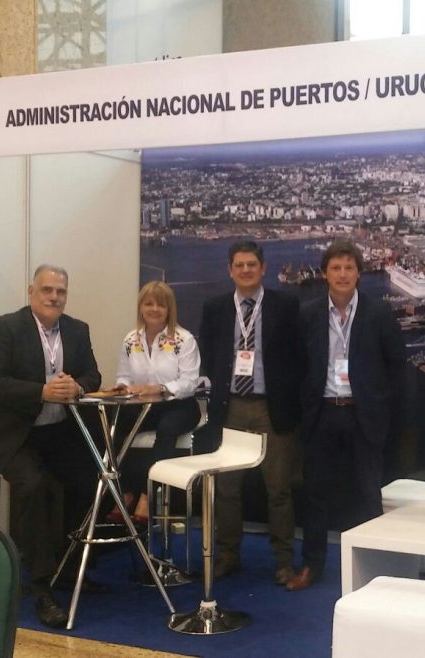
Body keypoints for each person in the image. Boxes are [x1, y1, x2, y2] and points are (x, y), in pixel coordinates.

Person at [0, 264, 103, 629]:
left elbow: (93, 375)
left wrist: (78, 387)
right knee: (34, 485)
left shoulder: (78, 330)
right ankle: (41, 587)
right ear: (31, 291)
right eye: (47, 290)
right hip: (9, 433)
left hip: (55, 432)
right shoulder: (3, 328)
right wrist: (41, 391)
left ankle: (65, 564)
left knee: (92, 479)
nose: (54, 297)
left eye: (61, 291)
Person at [286, 241, 406, 591]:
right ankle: (312, 566)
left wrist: (380, 403)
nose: (342, 274)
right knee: (315, 495)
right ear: (325, 273)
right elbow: (296, 364)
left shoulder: (378, 313)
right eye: (336, 268)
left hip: (362, 414)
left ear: (359, 274)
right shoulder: (308, 314)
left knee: (368, 492)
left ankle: (376, 568)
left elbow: (396, 365)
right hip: (322, 414)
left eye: (349, 268)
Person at [198, 240, 303, 585]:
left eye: (252, 265)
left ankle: (283, 561)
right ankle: (228, 554)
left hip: (271, 408)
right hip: (230, 407)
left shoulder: (285, 305)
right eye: (239, 265)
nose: (246, 270)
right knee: (227, 488)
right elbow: (209, 354)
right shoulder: (215, 308)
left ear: (263, 269)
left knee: (279, 489)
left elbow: (298, 354)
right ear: (230, 270)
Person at [109, 281, 200, 522]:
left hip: (180, 405)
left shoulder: (184, 339)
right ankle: (125, 490)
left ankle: (147, 494)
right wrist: (122, 386)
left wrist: (159, 388)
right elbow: (123, 375)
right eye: (149, 304)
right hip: (143, 406)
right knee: (114, 425)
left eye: (161, 305)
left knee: (167, 428)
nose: (155, 309)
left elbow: (190, 382)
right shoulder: (131, 340)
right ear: (141, 307)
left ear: (170, 309)